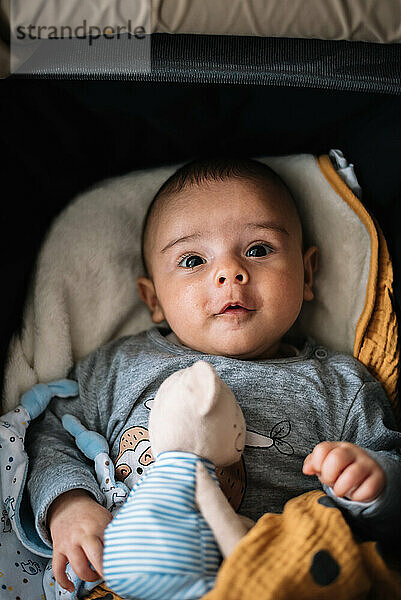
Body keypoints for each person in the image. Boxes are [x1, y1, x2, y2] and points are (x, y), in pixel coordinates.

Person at [26, 157, 401, 594]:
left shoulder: (341, 385)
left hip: (270, 576)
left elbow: (391, 476)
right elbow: (51, 433)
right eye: (192, 260)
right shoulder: (122, 365)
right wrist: (68, 504)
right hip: (129, 575)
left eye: (258, 249)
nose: (229, 273)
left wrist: (375, 481)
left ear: (307, 273)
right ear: (154, 300)